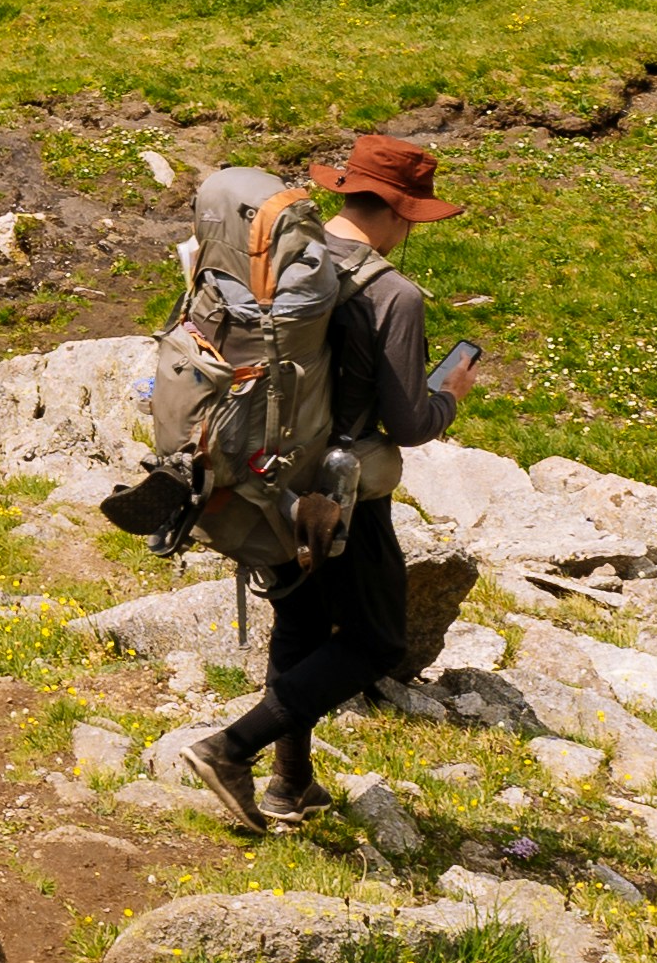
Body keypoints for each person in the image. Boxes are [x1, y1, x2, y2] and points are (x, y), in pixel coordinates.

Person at [180, 132, 476, 830]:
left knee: (303, 621)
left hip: (266, 473)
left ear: (344, 192)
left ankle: (291, 783)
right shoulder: (393, 292)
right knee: (377, 641)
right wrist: (451, 394)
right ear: (401, 213)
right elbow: (407, 421)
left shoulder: (281, 266)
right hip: (342, 493)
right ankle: (231, 749)